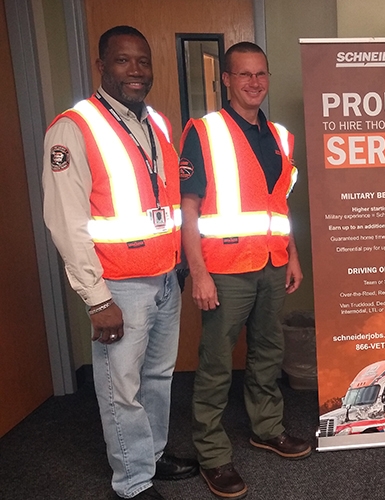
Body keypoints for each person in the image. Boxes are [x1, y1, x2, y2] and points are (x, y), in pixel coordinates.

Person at [42, 25, 198, 500]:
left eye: (143, 62)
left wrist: (179, 264)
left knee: (157, 377)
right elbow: (66, 223)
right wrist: (96, 299)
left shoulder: (158, 123)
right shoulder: (74, 127)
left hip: (165, 278)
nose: (136, 71)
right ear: (102, 66)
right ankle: (132, 481)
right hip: (118, 286)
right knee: (120, 388)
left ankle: (150, 456)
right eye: (123, 61)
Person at [179, 41, 308, 499]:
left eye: (261, 74)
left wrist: (291, 254)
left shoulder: (280, 136)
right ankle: (213, 454)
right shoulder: (204, 131)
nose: (254, 82)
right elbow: (188, 207)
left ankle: (266, 428)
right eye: (244, 75)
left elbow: (278, 204)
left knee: (268, 353)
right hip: (224, 269)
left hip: (272, 264)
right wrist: (197, 272)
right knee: (216, 362)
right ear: (227, 80)